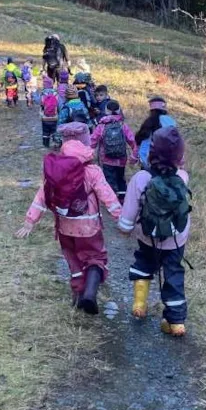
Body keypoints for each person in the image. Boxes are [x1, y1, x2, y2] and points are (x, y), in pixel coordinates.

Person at [16, 122, 122, 314]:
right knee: (95, 257)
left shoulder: (56, 171)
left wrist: (30, 220)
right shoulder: (92, 170)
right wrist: (121, 219)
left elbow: (41, 196)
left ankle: (77, 295)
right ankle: (90, 292)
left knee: (73, 260)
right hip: (89, 226)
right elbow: (108, 196)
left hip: (64, 227)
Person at [118, 127, 191, 337]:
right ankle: (176, 323)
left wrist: (125, 229)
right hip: (177, 239)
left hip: (148, 236)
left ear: (151, 150)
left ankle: (140, 305)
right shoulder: (183, 177)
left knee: (144, 263)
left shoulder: (141, 178)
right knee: (173, 274)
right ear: (180, 155)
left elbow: (128, 214)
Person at [91, 100, 137, 203]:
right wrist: (134, 156)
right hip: (121, 159)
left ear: (106, 111)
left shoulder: (102, 126)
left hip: (106, 159)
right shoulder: (123, 125)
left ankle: (111, 201)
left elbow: (93, 141)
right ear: (119, 110)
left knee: (109, 179)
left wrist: (88, 154)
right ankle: (122, 198)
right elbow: (132, 141)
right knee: (121, 178)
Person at [135, 96, 177, 169]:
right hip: (168, 161)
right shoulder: (171, 122)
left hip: (149, 160)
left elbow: (140, 140)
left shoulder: (149, 122)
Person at [39, 75, 59, 148]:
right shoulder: (55, 93)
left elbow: (41, 104)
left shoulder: (43, 93)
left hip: (45, 117)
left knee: (45, 131)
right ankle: (56, 144)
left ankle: (45, 144)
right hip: (55, 117)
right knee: (54, 130)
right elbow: (58, 104)